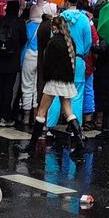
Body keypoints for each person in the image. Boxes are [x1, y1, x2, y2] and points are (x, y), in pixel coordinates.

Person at [22, 9, 84, 156]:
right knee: (68, 112)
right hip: (67, 82)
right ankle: (79, 142)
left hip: (53, 82)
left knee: (41, 112)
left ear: (55, 27)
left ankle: (31, 145)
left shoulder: (53, 42)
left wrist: (46, 78)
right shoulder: (70, 42)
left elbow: (47, 64)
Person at [0, 0, 26, 125]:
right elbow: (24, 39)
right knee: (8, 89)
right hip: (12, 60)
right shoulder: (20, 22)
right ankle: (5, 117)